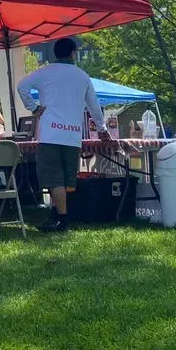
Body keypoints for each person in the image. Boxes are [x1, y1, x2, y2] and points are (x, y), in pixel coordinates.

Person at [17, 38, 110, 233]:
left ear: (55, 54)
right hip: (73, 135)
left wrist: (33, 108)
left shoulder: (45, 72)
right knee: (68, 179)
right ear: (73, 53)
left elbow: (22, 86)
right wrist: (102, 129)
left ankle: (62, 219)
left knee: (53, 178)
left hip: (50, 133)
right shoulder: (82, 75)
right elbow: (94, 106)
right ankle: (58, 215)